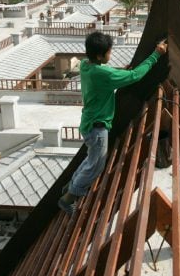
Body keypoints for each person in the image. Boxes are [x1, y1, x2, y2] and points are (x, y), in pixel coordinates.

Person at [58, 32, 168, 215]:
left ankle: (71, 185)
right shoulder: (103, 74)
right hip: (97, 126)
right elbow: (135, 76)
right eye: (109, 52)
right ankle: (68, 198)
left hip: (88, 122)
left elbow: (109, 74)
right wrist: (156, 54)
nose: (110, 55)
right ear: (100, 56)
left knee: (91, 158)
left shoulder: (86, 65)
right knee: (96, 165)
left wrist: (119, 72)